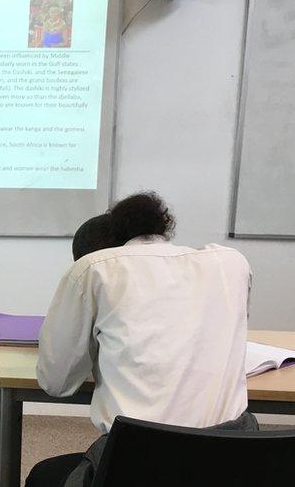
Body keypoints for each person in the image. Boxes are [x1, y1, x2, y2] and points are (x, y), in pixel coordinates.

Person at [26, 192, 256, 487]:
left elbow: (57, 383)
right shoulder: (232, 263)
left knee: (44, 476)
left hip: (139, 466)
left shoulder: (95, 268)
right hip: (234, 461)